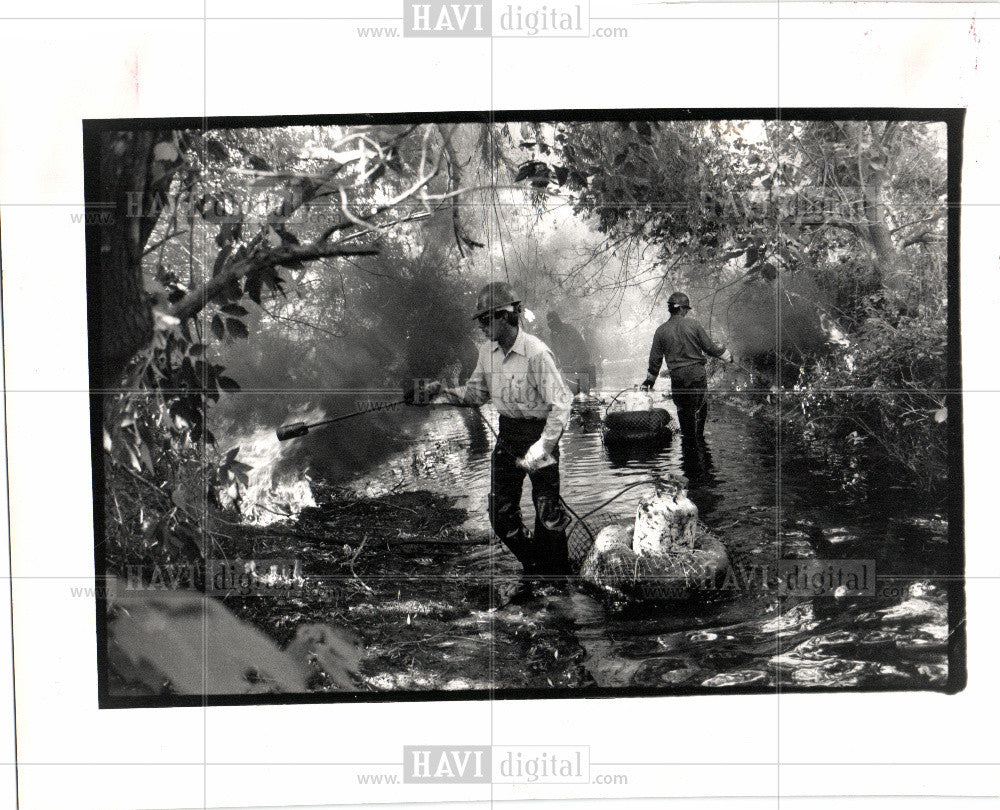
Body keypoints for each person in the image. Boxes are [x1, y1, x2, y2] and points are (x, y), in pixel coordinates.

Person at [408, 282, 574, 581]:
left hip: (540, 434)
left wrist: (544, 447)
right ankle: (536, 567)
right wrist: (439, 392)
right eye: (480, 321)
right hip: (508, 436)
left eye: (487, 320)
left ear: (508, 316)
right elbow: (475, 395)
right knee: (500, 513)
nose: (482, 327)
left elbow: (562, 405)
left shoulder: (536, 353)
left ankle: (559, 580)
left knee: (548, 516)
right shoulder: (487, 354)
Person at [641, 292, 732, 440]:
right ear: (683, 309)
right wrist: (725, 355)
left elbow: (655, 360)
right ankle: (699, 442)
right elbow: (709, 347)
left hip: (678, 378)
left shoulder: (661, 331)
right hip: (697, 375)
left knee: (684, 412)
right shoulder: (693, 325)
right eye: (687, 310)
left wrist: (650, 380)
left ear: (671, 309)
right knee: (699, 410)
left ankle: (688, 447)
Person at [546, 310, 595, 396]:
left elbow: (579, 346)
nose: (550, 323)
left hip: (580, 361)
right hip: (567, 365)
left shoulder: (568, 330)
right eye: (548, 321)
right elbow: (554, 350)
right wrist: (556, 362)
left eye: (552, 321)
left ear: (557, 321)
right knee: (571, 389)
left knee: (583, 389)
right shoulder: (553, 335)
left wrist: (577, 361)